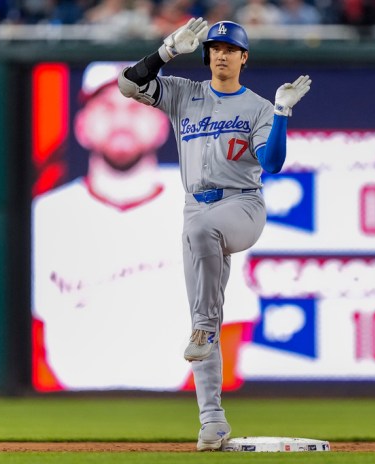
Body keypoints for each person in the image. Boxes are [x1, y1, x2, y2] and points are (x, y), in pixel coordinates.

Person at [118, 18, 311, 451]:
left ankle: (205, 328)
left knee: (203, 317)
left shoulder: (259, 107)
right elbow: (128, 86)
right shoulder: (185, 92)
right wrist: (165, 53)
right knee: (200, 317)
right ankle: (212, 423)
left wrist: (281, 113)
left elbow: (274, 163)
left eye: (230, 48)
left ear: (244, 57)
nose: (220, 54)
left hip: (243, 205)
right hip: (196, 208)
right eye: (214, 47)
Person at [32, 61, 259, 392]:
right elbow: (28, 330)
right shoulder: (46, 214)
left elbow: (232, 322)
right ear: (82, 126)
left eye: (137, 107)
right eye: (107, 108)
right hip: (65, 406)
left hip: (178, 408)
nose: (122, 120)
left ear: (163, 124)